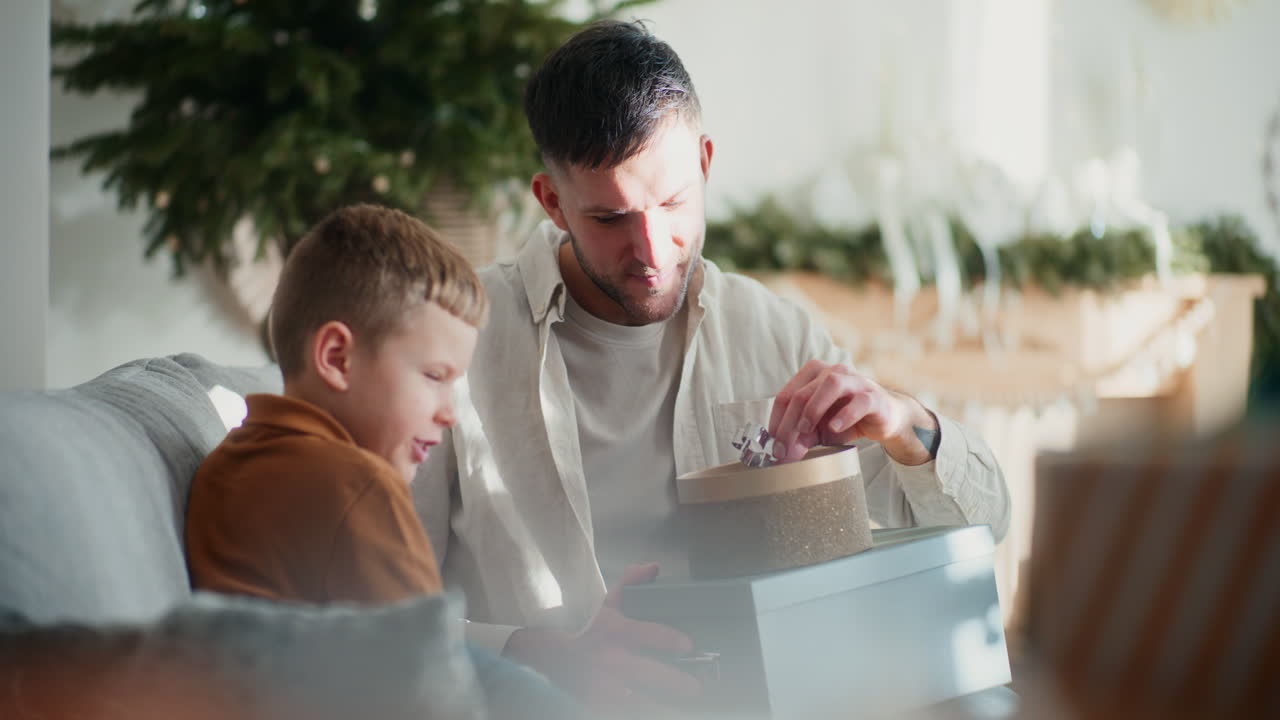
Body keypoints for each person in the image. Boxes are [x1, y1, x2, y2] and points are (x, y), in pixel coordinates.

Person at [413, 19, 1012, 709]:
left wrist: (910, 425)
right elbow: (371, 613)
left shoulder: (772, 331)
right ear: (552, 202)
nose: (651, 251)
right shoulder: (456, 342)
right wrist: (536, 657)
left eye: (671, 203)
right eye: (609, 219)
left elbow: (984, 523)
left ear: (704, 160)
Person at [184, 204, 579, 719]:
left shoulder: (229, 464)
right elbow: (434, 686)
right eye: (435, 377)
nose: (449, 414)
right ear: (337, 358)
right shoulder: (358, 485)